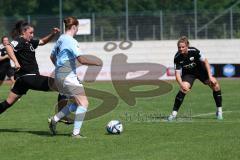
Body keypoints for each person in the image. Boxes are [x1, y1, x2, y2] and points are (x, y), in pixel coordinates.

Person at [48, 16, 102, 138]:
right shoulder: (71, 41)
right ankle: (75, 133)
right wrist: (96, 62)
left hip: (59, 77)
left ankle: (54, 119)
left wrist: (60, 69)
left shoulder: (60, 39)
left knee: (75, 103)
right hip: (68, 77)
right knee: (84, 103)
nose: (77, 30)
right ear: (73, 27)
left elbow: (52, 57)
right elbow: (81, 59)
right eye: (77, 28)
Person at [0, 20, 60, 114]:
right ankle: (62, 116)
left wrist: (53, 34)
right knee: (61, 86)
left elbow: (42, 41)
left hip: (22, 80)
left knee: (8, 103)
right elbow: (8, 47)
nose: (32, 35)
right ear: (23, 32)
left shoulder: (30, 42)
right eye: (30, 33)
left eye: (33, 33)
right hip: (29, 76)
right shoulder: (19, 40)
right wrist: (16, 62)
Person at [168, 36, 223, 121]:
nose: (181, 49)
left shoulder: (194, 51)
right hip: (189, 74)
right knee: (183, 89)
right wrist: (182, 84)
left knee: (215, 85)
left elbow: (206, 61)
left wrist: (210, 76)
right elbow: (177, 74)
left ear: (187, 46)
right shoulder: (177, 57)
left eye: (183, 47)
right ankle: (173, 114)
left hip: (201, 71)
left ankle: (219, 111)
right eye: (179, 47)